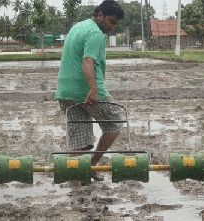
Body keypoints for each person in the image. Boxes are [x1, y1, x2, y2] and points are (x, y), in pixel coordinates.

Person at [55, 0, 124, 181]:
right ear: (99, 15)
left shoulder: (78, 26)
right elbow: (87, 61)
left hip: (66, 91)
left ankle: (76, 175)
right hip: (86, 89)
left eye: (116, 23)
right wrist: (93, 89)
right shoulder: (95, 33)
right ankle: (92, 165)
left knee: (79, 137)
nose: (113, 27)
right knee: (115, 122)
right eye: (111, 21)